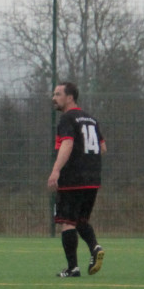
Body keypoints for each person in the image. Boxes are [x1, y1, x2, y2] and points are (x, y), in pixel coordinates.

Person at [47, 81, 106, 278]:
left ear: (70, 97)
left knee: (67, 222)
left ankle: (73, 268)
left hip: (73, 178)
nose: (54, 98)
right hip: (92, 179)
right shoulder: (91, 119)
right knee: (81, 220)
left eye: (58, 94)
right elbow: (102, 148)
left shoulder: (67, 118)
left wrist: (56, 170)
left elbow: (67, 145)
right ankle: (95, 247)